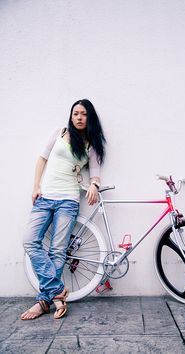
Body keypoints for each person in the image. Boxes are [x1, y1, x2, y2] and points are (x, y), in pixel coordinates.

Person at [21, 99, 106, 320]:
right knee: (30, 241)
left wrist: (94, 185)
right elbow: (42, 159)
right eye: (75, 113)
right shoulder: (58, 133)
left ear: (90, 118)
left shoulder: (91, 145)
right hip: (45, 197)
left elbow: (95, 172)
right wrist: (36, 186)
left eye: (84, 114)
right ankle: (58, 292)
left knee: (57, 251)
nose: (79, 117)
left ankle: (43, 302)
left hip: (68, 200)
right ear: (71, 115)